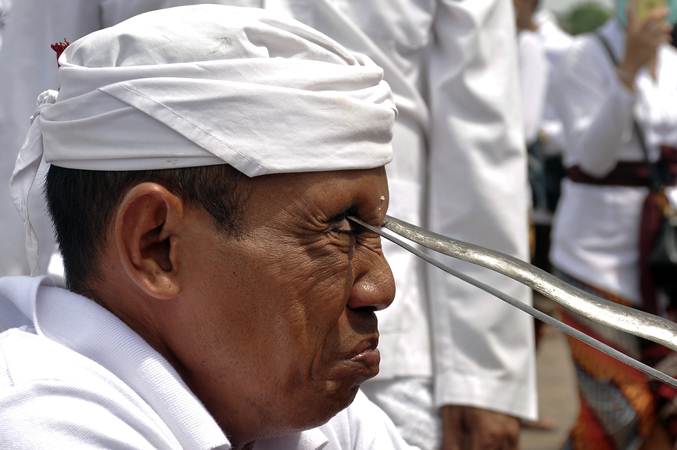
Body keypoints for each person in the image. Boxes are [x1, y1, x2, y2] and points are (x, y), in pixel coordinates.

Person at [0, 2, 537, 449]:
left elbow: (481, 145)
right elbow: (33, 97)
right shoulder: (41, 422)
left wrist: (485, 374)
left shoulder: (315, 417)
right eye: (342, 228)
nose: (383, 286)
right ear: (156, 245)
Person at [550, 0, 677, 447]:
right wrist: (628, 73)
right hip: (593, 264)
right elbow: (594, 158)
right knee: (621, 413)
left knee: (669, 404)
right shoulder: (578, 58)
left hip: (666, 263)